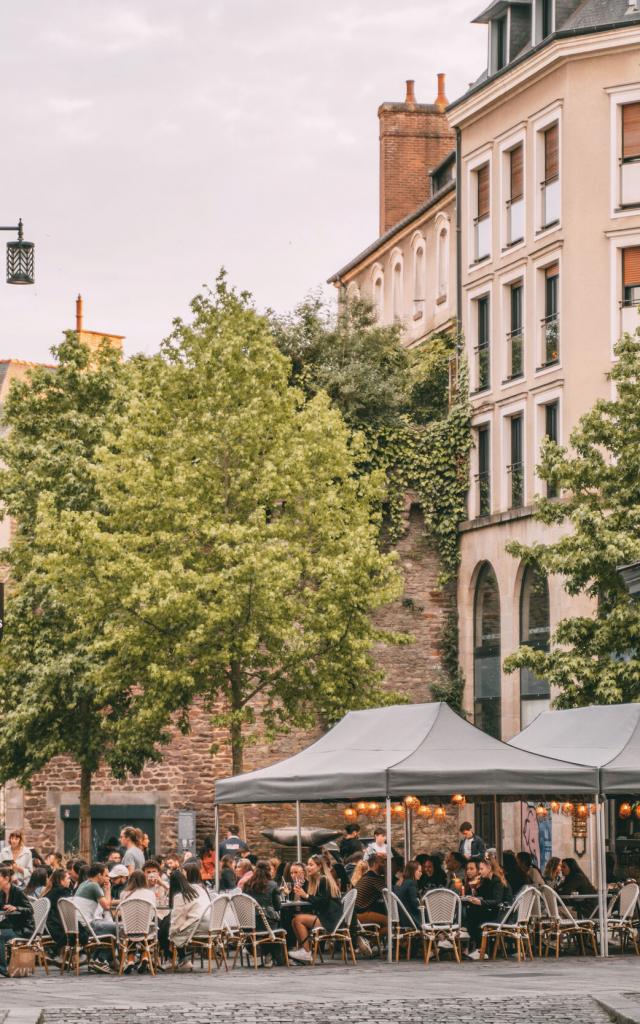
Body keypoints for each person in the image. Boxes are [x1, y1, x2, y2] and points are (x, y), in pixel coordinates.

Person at [289, 854, 342, 963]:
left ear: (319, 867)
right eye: (308, 864)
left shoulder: (324, 880)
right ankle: (305, 950)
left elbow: (322, 902)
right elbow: (316, 902)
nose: (308, 867)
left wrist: (306, 896)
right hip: (325, 916)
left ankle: (306, 951)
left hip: (331, 919)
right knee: (294, 920)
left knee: (298, 920)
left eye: (311, 865)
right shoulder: (316, 880)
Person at [160, 869, 211, 971]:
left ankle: (174, 958)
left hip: (197, 926)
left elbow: (176, 920)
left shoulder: (180, 896)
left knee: (164, 928)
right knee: (167, 923)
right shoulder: (198, 889)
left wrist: (171, 933)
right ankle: (181, 958)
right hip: (210, 923)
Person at [75, 863, 117, 973]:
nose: (108, 878)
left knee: (109, 928)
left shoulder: (83, 884)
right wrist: (108, 890)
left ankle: (97, 959)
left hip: (78, 925)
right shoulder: (94, 886)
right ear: (99, 875)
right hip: (87, 926)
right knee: (118, 927)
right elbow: (107, 906)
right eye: (106, 875)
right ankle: (100, 960)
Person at [463, 858, 504, 959]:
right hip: (489, 910)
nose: (479, 871)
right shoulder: (485, 881)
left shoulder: (496, 882)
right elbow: (482, 896)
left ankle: (480, 948)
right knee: (471, 909)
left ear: (489, 868)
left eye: (481, 869)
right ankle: (475, 943)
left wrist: (480, 902)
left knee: (474, 913)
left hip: (500, 913)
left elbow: (497, 901)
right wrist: (474, 891)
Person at [119, 869, 157, 974]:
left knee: (129, 927)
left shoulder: (123, 894)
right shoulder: (150, 894)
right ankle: (145, 957)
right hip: (145, 929)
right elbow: (153, 913)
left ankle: (130, 960)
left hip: (128, 930)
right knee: (150, 927)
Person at [0, 866, 34, 976]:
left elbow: (30, 910)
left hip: (22, 928)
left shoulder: (17, 891)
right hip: (8, 926)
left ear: (6, 878)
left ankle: (2, 969)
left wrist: (17, 908)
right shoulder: (1, 893)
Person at [354, 853, 388, 944]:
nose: (385, 865)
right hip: (360, 915)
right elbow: (390, 895)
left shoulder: (366, 876)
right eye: (382, 862)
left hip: (354, 915)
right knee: (392, 923)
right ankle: (370, 943)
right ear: (374, 864)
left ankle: (370, 942)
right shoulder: (375, 879)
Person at [41, 867, 72, 955]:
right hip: (57, 928)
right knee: (81, 931)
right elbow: (69, 910)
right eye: (68, 878)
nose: (70, 881)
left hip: (45, 927)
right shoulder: (63, 891)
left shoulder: (48, 891)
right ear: (61, 881)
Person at [393, 860, 422, 928]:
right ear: (413, 871)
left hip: (400, 918)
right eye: (419, 871)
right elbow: (415, 903)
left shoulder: (399, 882)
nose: (421, 873)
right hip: (410, 919)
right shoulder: (411, 883)